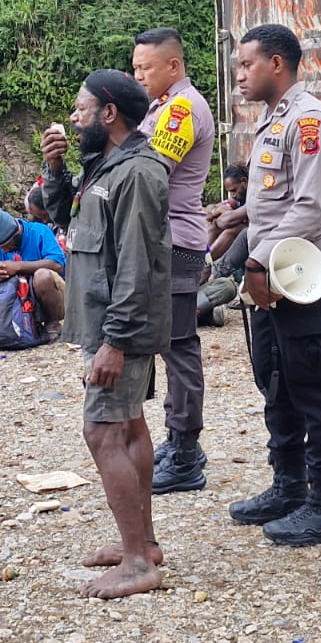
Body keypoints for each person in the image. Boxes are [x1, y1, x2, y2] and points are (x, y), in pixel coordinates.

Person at [228, 24, 321, 547]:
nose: (239, 76)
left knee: (312, 383)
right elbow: (272, 205)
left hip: (306, 271)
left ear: (276, 64)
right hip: (276, 267)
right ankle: (288, 485)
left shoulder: (309, 121)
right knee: (275, 379)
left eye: (246, 66)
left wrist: (255, 261)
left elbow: (310, 207)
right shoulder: (273, 120)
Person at [57, 70, 171, 598]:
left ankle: (136, 564)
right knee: (126, 425)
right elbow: (68, 223)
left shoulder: (140, 173)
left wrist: (115, 340)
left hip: (119, 326)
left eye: (82, 108)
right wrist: (54, 168)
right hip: (107, 322)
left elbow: (137, 265)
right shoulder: (105, 165)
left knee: (102, 432)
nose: (74, 117)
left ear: (108, 114)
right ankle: (141, 543)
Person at [126, 27, 215, 496]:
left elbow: (152, 171)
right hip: (160, 239)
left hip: (175, 240)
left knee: (179, 345)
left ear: (173, 67)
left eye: (146, 68)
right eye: (135, 68)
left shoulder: (181, 110)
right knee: (161, 341)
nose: (139, 75)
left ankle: (185, 450)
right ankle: (174, 439)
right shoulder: (161, 107)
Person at [0, 207, 66, 335]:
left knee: (42, 276)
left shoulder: (39, 231)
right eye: (0, 247)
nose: (5, 250)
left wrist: (18, 266)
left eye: (8, 245)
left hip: (47, 298)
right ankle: (6, 317)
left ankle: (52, 323)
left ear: (17, 233)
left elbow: (57, 264)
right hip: (15, 299)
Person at [206, 164, 249, 259]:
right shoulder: (237, 199)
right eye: (230, 192)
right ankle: (201, 256)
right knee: (214, 226)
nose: (233, 195)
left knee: (230, 231)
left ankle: (205, 262)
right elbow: (209, 211)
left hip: (255, 231)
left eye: (234, 190)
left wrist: (222, 215)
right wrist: (216, 211)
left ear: (244, 181)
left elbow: (226, 221)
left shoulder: (252, 197)